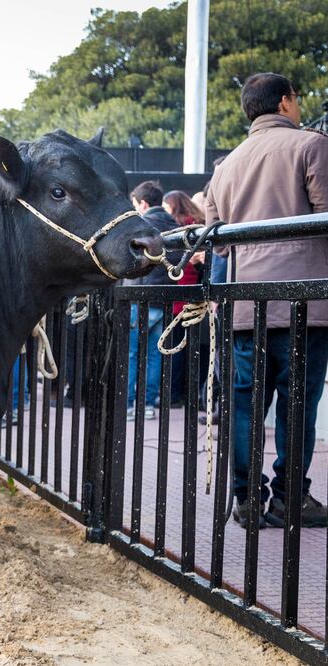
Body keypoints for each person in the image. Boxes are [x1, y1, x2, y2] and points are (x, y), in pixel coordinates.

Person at [206, 72, 328, 529]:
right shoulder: (311, 145)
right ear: (284, 102)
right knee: (297, 402)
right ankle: (289, 496)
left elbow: (219, 243)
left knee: (242, 404)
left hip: (244, 302)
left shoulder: (226, 165)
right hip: (302, 299)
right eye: (296, 99)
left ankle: (245, 498)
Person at [126, 180, 178, 420]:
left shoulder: (140, 225)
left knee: (131, 353)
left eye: (135, 204)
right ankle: (147, 405)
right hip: (164, 299)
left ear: (143, 203)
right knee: (155, 355)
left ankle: (127, 404)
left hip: (139, 297)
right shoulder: (174, 225)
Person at [162, 190, 207, 406]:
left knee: (177, 347)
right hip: (197, 293)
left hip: (179, 292)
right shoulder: (199, 224)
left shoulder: (175, 227)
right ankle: (195, 394)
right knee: (197, 348)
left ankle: (174, 395)